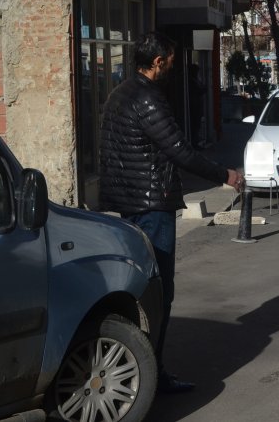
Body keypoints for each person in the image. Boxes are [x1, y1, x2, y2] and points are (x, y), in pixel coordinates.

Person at [99, 32, 243, 394]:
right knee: (160, 294)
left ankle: (136, 369)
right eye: (171, 61)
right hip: (151, 206)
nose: (174, 66)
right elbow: (180, 151)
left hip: (126, 205)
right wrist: (224, 174)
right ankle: (152, 374)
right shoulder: (149, 99)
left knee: (137, 290)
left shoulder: (118, 95)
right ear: (159, 61)